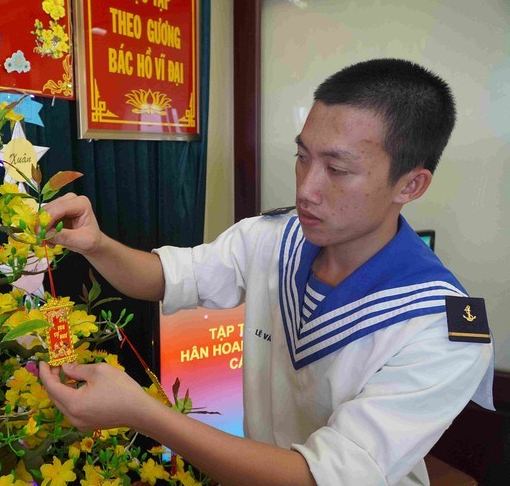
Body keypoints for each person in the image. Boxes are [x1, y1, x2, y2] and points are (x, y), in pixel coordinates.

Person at [39, 59, 494, 486]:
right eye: (302, 157)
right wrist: (97, 245)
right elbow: (167, 277)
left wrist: (143, 414)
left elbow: (321, 477)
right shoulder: (274, 238)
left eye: (337, 169)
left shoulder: (440, 325)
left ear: (411, 184)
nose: (307, 189)